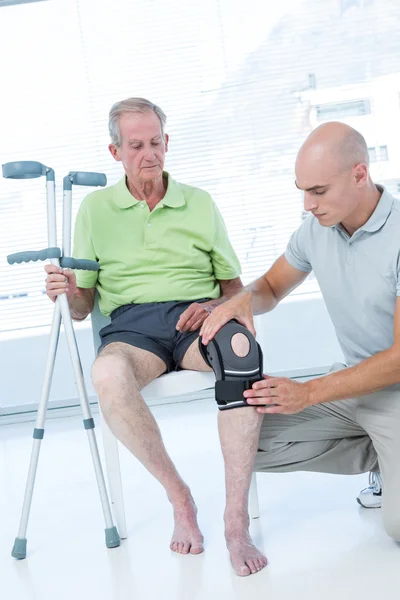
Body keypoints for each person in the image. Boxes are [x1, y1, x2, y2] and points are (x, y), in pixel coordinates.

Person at [45, 98, 269, 575]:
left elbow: (233, 288)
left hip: (197, 320)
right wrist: (65, 291)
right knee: (106, 374)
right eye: (136, 145)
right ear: (115, 151)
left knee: (241, 349)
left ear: (167, 143)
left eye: (156, 143)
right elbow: (84, 308)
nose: (149, 154)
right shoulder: (95, 209)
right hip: (131, 329)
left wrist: (213, 306)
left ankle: (235, 522)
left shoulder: (199, 203)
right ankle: (180, 497)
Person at [200, 121, 400, 567]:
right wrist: (239, 301)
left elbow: (399, 360)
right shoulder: (316, 229)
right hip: (354, 391)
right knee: (249, 441)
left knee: (398, 528)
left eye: (318, 191)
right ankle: (385, 458)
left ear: (360, 174)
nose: (307, 205)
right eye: (301, 191)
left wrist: (307, 393)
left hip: (395, 389)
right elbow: (271, 284)